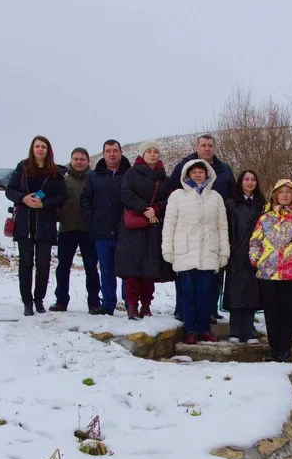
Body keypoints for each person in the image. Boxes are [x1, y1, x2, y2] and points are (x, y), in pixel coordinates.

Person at [249, 180, 292, 362]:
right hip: (268, 274)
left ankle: (286, 350)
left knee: (289, 313)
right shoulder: (265, 218)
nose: (285, 195)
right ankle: (274, 349)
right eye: (281, 192)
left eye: (289, 192)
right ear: (275, 195)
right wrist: (256, 260)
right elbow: (255, 242)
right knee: (271, 313)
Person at [163, 158, 229, 343]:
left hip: (208, 251)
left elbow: (222, 226)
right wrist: (168, 249)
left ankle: (204, 329)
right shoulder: (177, 196)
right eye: (194, 172)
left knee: (206, 292)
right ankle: (191, 330)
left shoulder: (215, 197)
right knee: (188, 292)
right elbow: (169, 224)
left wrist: (223, 252)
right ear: (187, 175)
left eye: (201, 172)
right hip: (185, 251)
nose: (198, 175)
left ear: (207, 174)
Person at [169, 134, 233, 318]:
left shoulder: (224, 170)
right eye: (203, 145)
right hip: (188, 230)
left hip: (212, 226)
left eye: (210, 145)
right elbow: (174, 191)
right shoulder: (183, 166)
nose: (207, 148)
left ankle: (210, 312)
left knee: (212, 277)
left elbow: (231, 194)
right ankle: (182, 311)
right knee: (186, 278)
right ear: (196, 146)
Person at [6, 135, 67, 315]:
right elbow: (10, 190)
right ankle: (27, 302)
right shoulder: (22, 167)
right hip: (24, 223)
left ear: (48, 150)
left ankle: (39, 299)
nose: (40, 150)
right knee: (25, 264)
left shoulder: (55, 172)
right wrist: (22, 198)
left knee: (43, 265)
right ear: (32, 149)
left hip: (44, 224)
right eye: (37, 146)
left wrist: (44, 203)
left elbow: (62, 196)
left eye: (43, 147)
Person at [117, 142, 175, 319]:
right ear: (143, 154)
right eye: (149, 151)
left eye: (156, 151)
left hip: (154, 227)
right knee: (133, 268)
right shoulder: (131, 173)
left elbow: (170, 199)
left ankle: (146, 305)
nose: (152, 154)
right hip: (133, 228)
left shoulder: (164, 177)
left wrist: (156, 209)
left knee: (150, 269)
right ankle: (132, 305)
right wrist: (144, 208)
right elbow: (126, 194)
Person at [81, 139, 130, 315]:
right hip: (101, 232)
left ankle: (130, 303)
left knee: (126, 271)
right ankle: (108, 303)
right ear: (103, 154)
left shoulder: (129, 174)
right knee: (107, 270)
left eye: (115, 150)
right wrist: (92, 220)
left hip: (125, 232)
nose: (112, 154)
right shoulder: (93, 176)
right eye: (108, 151)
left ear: (120, 152)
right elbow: (85, 200)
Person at [50, 147, 100, 312]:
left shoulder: (94, 179)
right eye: (76, 159)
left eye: (82, 159)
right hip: (67, 229)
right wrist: (59, 214)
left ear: (88, 161)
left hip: (89, 231)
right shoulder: (62, 179)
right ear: (71, 160)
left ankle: (94, 303)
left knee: (91, 268)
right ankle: (61, 301)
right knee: (63, 267)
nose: (79, 162)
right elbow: (55, 201)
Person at [224, 170, 265, 344]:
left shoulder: (261, 205)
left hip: (255, 252)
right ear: (240, 182)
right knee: (235, 290)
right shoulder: (230, 203)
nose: (249, 182)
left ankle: (249, 329)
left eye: (253, 179)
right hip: (235, 252)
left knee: (251, 291)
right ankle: (234, 329)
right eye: (246, 179)